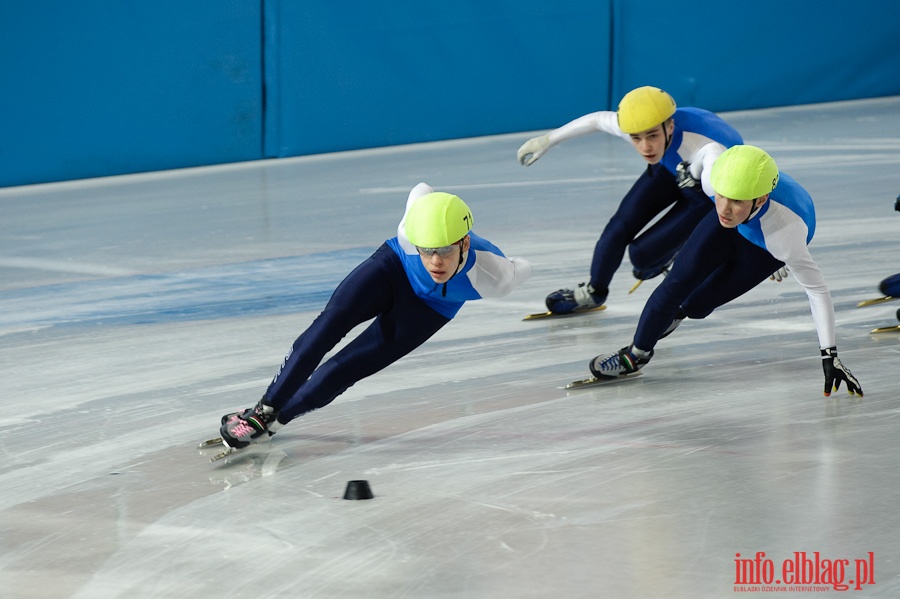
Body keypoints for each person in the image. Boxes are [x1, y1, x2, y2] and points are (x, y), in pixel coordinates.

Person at [218, 183, 532, 449]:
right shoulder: (410, 230)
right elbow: (421, 189)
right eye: (427, 249)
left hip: (430, 308)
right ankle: (262, 411)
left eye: (446, 251)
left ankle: (277, 422)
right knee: (328, 326)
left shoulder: (494, 274)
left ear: (465, 242)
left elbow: (524, 267)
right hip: (393, 268)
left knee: (346, 368)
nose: (435, 262)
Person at [588, 145, 862, 397]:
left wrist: (830, 355)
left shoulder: (785, 236)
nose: (724, 208)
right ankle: (636, 355)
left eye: (737, 201)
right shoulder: (716, 185)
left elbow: (817, 291)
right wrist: (691, 170)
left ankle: (679, 314)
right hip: (742, 229)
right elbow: (708, 150)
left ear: (760, 198)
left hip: (766, 247)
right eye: (721, 196)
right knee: (676, 284)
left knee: (696, 305)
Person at [516, 86, 743, 314]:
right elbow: (597, 120)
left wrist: (764, 243)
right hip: (672, 166)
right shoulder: (641, 125)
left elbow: (737, 197)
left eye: (652, 136)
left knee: (641, 258)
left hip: (707, 189)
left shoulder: (708, 148)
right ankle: (594, 291)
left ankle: (672, 249)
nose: (645, 147)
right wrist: (548, 139)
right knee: (617, 229)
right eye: (636, 138)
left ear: (670, 126)